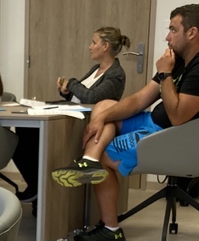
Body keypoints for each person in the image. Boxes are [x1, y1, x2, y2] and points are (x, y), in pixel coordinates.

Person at [51, 4, 199, 241]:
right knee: (105, 105)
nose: (167, 37)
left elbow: (178, 117)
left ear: (192, 33)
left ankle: (110, 229)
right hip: (154, 123)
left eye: (173, 30)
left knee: (106, 154)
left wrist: (165, 74)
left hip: (174, 137)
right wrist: (100, 117)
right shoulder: (180, 60)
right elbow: (139, 99)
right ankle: (89, 162)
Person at [14, 26, 131, 205]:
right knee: (23, 129)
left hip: (86, 123)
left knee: (29, 135)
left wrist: (72, 83)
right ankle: (36, 185)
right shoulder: (96, 68)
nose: (90, 47)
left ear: (105, 46)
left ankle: (39, 188)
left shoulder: (116, 74)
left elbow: (92, 98)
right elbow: (81, 97)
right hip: (73, 114)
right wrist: (67, 92)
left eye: (94, 42)